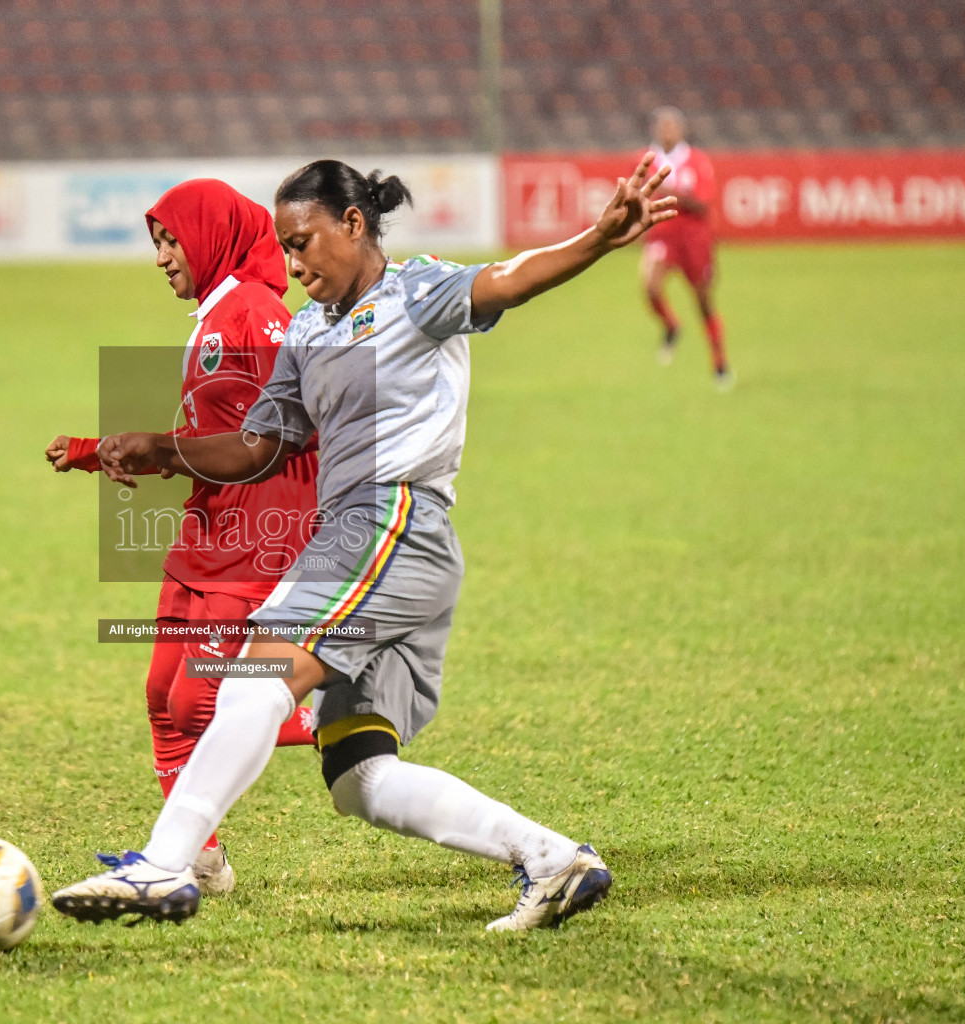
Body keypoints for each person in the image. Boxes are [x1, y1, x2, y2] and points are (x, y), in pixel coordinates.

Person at [51, 155, 677, 932]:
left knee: (255, 676)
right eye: (283, 247)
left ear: (353, 224)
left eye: (305, 241)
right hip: (379, 545)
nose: (293, 262)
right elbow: (256, 450)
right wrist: (162, 449)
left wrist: (599, 238)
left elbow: (511, 278)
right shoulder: (309, 331)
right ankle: (553, 860)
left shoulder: (417, 293)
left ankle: (165, 866)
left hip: (390, 522)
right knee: (357, 776)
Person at [44, 178, 320, 896]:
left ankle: (337, 712)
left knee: (203, 698)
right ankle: (203, 859)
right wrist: (96, 450)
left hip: (257, 532)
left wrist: (162, 449)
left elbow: (285, 433)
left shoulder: (255, 312)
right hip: (208, 526)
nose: (162, 256)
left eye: (171, 240)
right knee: (164, 694)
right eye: (157, 243)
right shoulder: (216, 313)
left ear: (210, 235)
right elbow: (203, 440)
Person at [639, 106, 733, 389]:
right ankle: (671, 325)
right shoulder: (646, 162)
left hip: (694, 238)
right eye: (663, 126)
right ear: (656, 130)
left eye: (672, 126)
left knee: (703, 302)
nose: (668, 131)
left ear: (681, 130)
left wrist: (671, 194)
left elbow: (703, 202)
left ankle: (719, 362)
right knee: (651, 287)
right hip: (662, 235)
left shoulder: (697, 161)